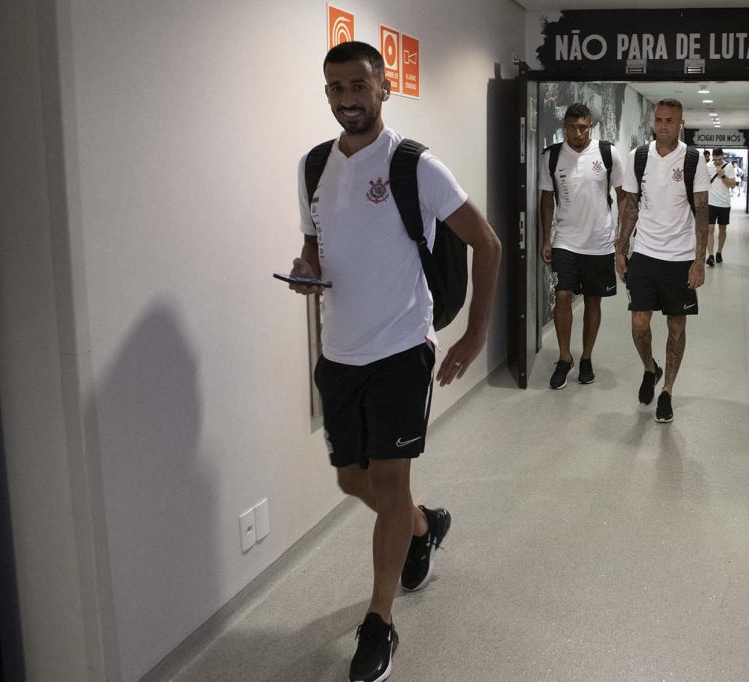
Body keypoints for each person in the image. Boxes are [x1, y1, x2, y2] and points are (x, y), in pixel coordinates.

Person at [289, 41, 501, 682]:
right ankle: (424, 526)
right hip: (339, 355)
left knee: (387, 486)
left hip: (401, 351)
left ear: (383, 87)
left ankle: (379, 623)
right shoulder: (313, 167)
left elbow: (486, 243)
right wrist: (306, 270)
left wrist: (473, 338)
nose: (348, 99)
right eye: (336, 89)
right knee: (354, 482)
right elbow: (314, 245)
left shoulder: (415, 166)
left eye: (359, 86)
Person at [617, 99, 710, 423]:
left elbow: (701, 211)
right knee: (639, 322)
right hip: (644, 251)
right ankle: (649, 368)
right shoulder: (638, 157)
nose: (663, 125)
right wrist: (620, 249)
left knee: (675, 327)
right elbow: (630, 206)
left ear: (680, 122)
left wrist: (699, 260)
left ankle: (668, 390)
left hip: (680, 257)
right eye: (658, 119)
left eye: (670, 120)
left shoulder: (693, 160)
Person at [539, 103, 626, 389]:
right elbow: (547, 199)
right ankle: (565, 358)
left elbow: (623, 196)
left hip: (599, 241)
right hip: (566, 239)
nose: (578, 133)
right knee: (562, 296)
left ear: (591, 126)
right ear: (565, 126)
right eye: (573, 127)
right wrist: (546, 238)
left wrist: (623, 237)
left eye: (584, 127)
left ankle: (586, 357)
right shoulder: (552, 157)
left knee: (592, 300)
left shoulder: (606, 153)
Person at [705, 147, 736, 267]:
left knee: (722, 230)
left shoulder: (728, 167)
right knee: (710, 229)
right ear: (713, 157)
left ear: (723, 157)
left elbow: (733, 185)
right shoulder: (707, 167)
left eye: (720, 159)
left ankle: (719, 252)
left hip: (724, 203)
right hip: (711, 203)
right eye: (716, 159)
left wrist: (722, 175)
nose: (718, 161)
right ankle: (711, 256)